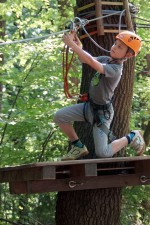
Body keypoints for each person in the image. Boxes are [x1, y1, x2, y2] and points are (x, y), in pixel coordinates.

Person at [54, 30, 145, 160]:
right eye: (115, 43)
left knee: (103, 153)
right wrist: (77, 44)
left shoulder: (115, 70)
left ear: (128, 55)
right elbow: (84, 59)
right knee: (60, 116)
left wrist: (72, 45)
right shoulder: (106, 60)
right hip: (90, 107)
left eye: (120, 47)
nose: (114, 47)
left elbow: (91, 61)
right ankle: (78, 146)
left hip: (102, 115)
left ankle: (132, 136)